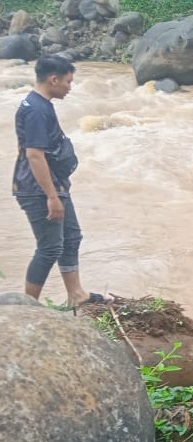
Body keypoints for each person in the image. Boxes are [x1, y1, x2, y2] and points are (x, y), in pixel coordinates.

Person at [13, 56, 106, 309]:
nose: (70, 87)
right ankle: (27, 307)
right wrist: (51, 197)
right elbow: (34, 155)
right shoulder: (35, 110)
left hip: (54, 185)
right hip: (38, 190)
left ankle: (76, 294)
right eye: (68, 81)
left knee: (72, 237)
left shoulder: (41, 104)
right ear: (53, 79)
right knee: (50, 247)